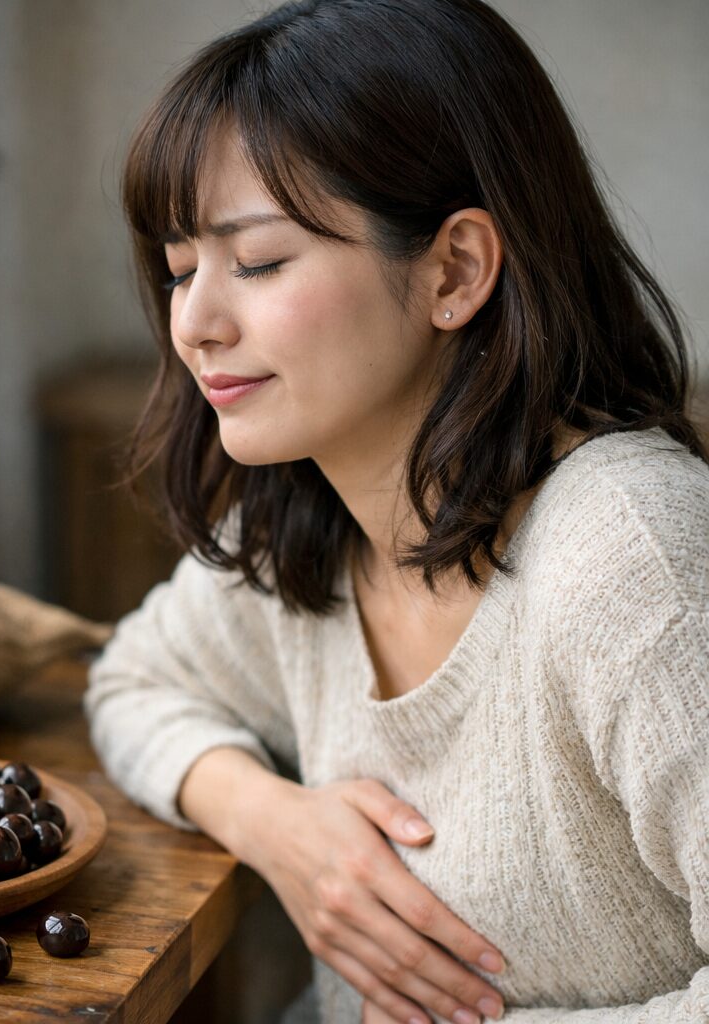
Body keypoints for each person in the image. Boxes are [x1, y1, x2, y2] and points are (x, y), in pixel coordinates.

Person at [84, 1, 709, 1022]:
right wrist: (278, 821)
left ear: (454, 270)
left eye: (258, 262)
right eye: (179, 268)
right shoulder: (306, 523)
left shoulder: (634, 555)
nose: (193, 324)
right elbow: (135, 681)